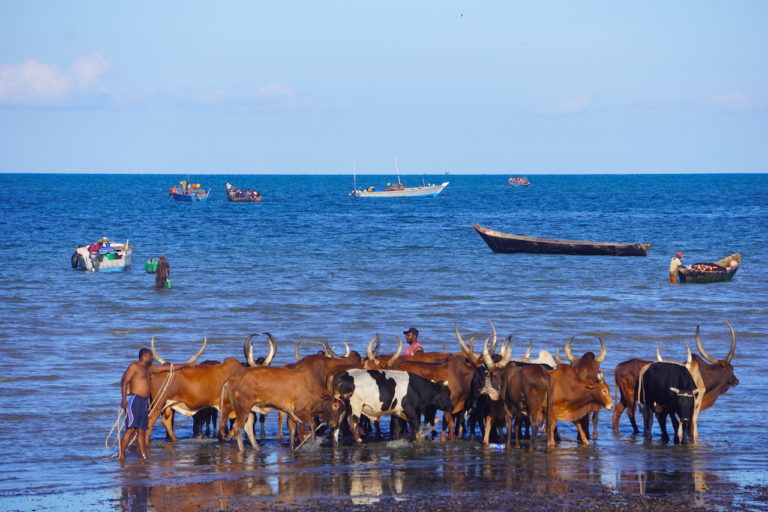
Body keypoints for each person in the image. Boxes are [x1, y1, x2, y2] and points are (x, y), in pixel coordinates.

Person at [117, 348, 196, 460]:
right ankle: (121, 455)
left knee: (141, 430)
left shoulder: (150, 369)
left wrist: (186, 365)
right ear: (145, 356)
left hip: (144, 402)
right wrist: (123, 400)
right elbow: (124, 382)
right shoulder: (134, 367)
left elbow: (167, 368)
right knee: (131, 429)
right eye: (151, 356)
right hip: (134, 400)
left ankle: (143, 455)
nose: (152, 358)